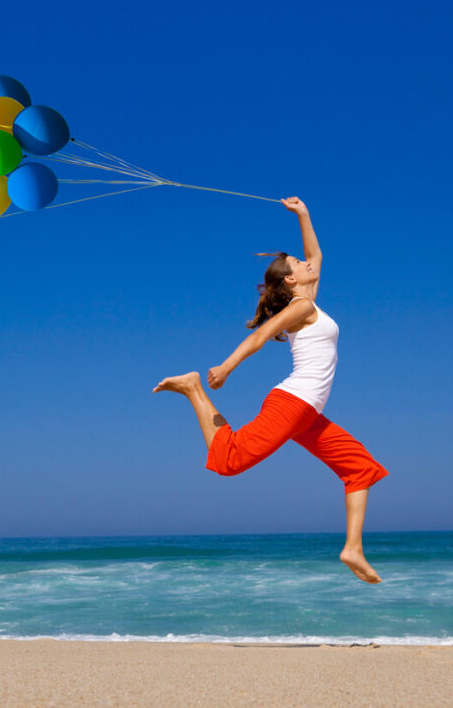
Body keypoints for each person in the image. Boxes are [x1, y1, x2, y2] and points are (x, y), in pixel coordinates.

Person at [153, 197, 389, 583]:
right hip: (292, 403)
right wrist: (226, 367)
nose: (306, 263)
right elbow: (261, 335)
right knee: (229, 462)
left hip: (308, 414)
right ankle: (194, 388)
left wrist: (303, 214)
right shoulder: (301, 306)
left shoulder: (309, 300)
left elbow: (316, 255)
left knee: (360, 467)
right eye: (298, 263)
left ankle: (353, 549)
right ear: (292, 280)